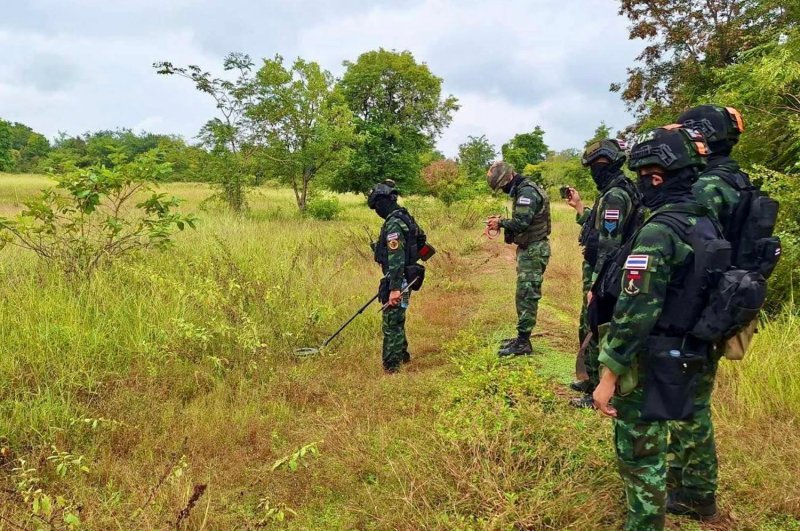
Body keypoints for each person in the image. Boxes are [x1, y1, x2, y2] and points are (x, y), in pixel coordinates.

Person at [592, 126, 725, 529]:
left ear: (655, 176)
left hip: (653, 355)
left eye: (642, 176)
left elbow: (637, 310)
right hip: (694, 348)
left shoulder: (659, 231)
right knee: (691, 421)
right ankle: (701, 497)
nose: (639, 184)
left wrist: (609, 372)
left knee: (640, 452)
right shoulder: (706, 221)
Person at [665, 105, 748, 519]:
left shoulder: (708, 187)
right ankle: (680, 477)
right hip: (721, 302)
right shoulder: (735, 179)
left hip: (700, 306)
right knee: (687, 393)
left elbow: (687, 248)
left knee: (690, 400)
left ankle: (697, 493)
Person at [566, 139, 640, 408]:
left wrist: (596, 285)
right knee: (588, 323)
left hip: (605, 272)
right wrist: (579, 207)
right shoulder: (612, 190)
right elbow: (596, 227)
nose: (596, 170)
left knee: (596, 326)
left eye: (600, 164)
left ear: (613, 163)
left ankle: (597, 389)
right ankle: (588, 379)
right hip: (603, 269)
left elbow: (609, 244)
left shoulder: (615, 195)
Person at [486, 161, 551, 356]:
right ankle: (522, 338)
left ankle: (523, 342)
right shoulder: (524, 189)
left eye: (502, 185)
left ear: (509, 177)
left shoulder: (527, 192)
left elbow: (522, 222)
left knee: (527, 295)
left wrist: (501, 223)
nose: (503, 189)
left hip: (534, 250)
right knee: (523, 294)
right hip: (530, 249)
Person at [368, 180, 423, 373]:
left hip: (400, 279)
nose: (377, 211)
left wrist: (394, 289)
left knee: (392, 321)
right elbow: (422, 242)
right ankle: (402, 354)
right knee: (398, 318)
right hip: (408, 275)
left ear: (382, 202)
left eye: (376, 207)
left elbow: (396, 259)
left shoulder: (393, 225)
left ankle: (392, 365)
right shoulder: (405, 217)